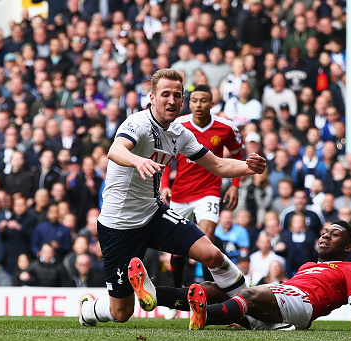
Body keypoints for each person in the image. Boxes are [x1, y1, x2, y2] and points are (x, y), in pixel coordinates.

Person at [79, 68, 266, 327]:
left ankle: (254, 309)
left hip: (154, 214)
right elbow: (115, 150)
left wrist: (248, 167)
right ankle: (90, 309)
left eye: (177, 95)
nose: (171, 100)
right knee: (121, 313)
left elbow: (219, 166)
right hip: (118, 225)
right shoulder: (137, 123)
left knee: (212, 254)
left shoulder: (180, 132)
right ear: (152, 98)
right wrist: (137, 161)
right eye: (165, 94)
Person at [132, 220, 351, 332]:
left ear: (347, 247)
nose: (325, 236)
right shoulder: (307, 266)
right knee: (211, 287)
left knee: (248, 293)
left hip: (303, 305)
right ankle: (155, 295)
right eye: (324, 232)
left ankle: (206, 315)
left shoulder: (348, 268)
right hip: (279, 307)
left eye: (334, 234)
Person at [160, 84, 245, 287]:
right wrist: (164, 185)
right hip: (180, 194)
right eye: (195, 100)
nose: (198, 105)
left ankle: (209, 294)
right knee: (177, 249)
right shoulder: (176, 125)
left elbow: (237, 154)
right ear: (189, 103)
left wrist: (234, 185)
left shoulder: (225, 127)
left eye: (204, 100)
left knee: (206, 244)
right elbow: (164, 157)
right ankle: (177, 290)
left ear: (212, 103)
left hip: (209, 192)